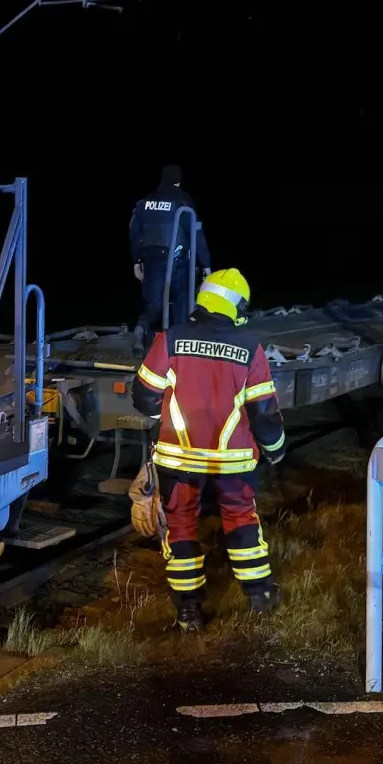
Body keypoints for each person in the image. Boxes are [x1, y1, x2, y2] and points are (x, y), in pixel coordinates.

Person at [130, 268, 287, 632]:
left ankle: (188, 613)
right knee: (241, 521)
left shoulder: (170, 339)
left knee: (181, 526)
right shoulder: (250, 347)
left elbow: (143, 396)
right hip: (232, 464)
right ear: (235, 306)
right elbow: (263, 412)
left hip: (177, 461)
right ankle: (260, 596)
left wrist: (163, 416)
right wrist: (275, 450)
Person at [129, 165, 210, 356]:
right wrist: (206, 264)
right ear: (178, 181)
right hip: (178, 260)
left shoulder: (144, 202)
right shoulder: (182, 200)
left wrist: (136, 261)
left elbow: (134, 233)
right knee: (183, 299)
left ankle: (142, 327)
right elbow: (196, 234)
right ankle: (178, 343)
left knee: (155, 303)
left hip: (151, 260)